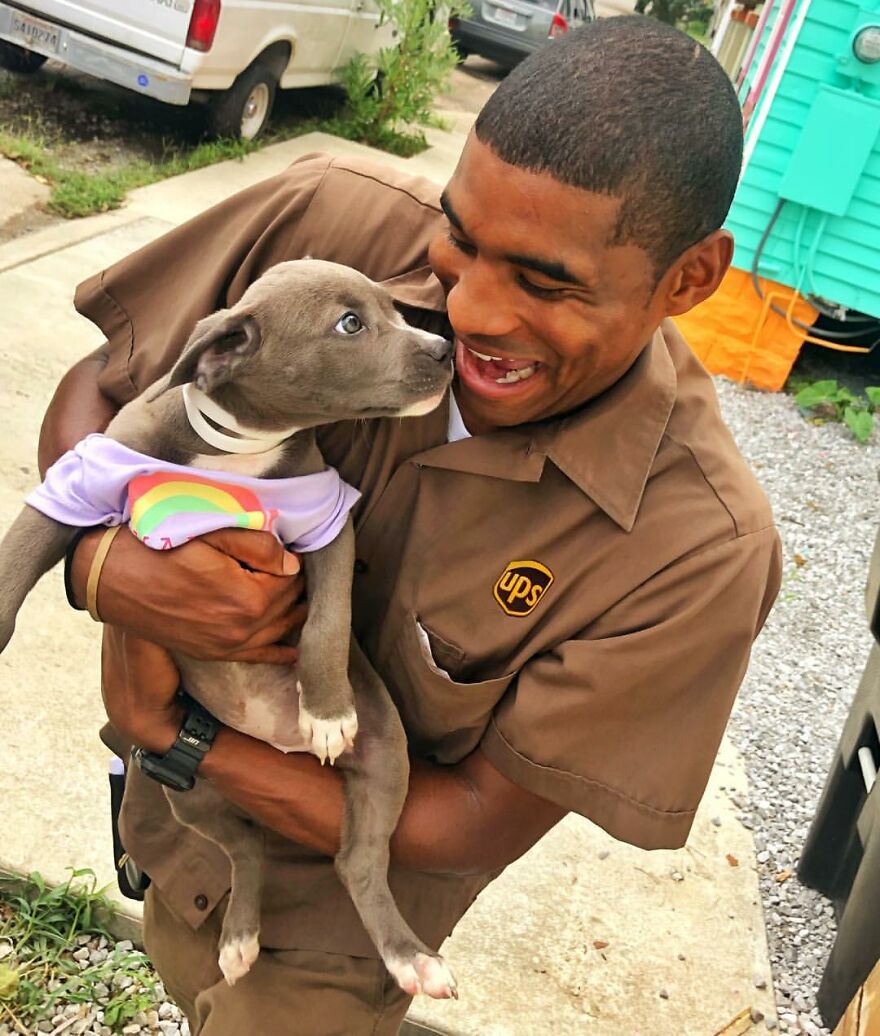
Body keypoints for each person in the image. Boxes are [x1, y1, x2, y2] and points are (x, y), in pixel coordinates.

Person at [40, 17, 782, 1036]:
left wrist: (177, 733)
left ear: (689, 280)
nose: (467, 311)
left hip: (341, 932)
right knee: (176, 966)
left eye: (543, 280)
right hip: (171, 833)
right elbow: (104, 389)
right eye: (461, 240)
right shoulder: (323, 228)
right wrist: (102, 563)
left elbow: (462, 819)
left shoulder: (695, 553)